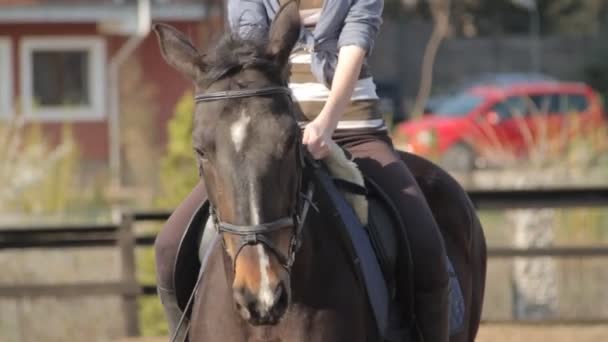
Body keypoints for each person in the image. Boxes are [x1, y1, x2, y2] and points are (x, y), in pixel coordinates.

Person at [155, 0, 449, 341]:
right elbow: (253, 60)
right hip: (267, 136)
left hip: (354, 129)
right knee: (168, 245)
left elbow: (355, 43)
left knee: (425, 242)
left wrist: (326, 123)